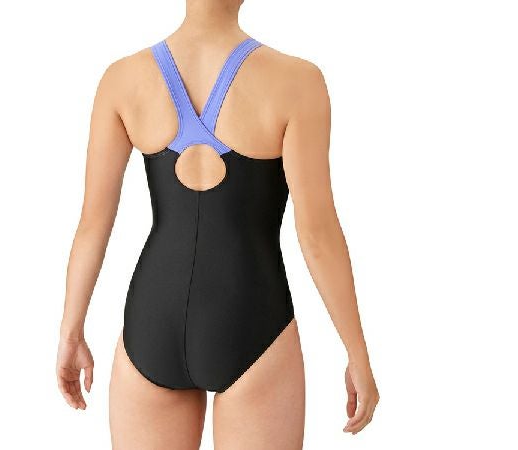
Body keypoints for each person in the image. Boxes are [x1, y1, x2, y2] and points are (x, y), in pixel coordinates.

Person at [56, 0, 379, 448]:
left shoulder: (122, 79)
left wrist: (71, 331)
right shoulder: (296, 81)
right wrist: (357, 352)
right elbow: (317, 236)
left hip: (152, 319)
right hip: (252, 317)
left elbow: (93, 224)